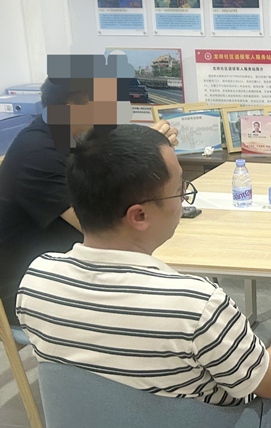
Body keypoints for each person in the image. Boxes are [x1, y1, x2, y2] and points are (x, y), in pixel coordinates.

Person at [16, 125, 271, 428]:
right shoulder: (194, 303)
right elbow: (270, 381)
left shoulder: (37, 279)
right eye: (180, 190)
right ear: (139, 215)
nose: (183, 199)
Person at [0, 75, 177, 327]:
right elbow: (104, 227)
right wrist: (146, 155)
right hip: (33, 289)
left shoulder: (75, 139)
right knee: (167, 308)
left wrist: (150, 152)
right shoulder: (38, 154)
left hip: (76, 267)